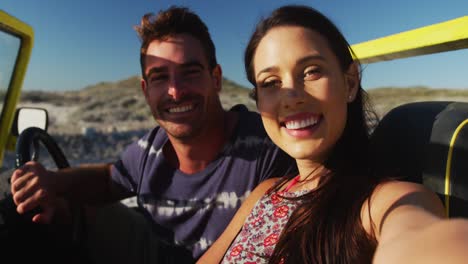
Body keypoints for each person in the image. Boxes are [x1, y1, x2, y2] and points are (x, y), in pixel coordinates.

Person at [8, 6, 295, 263]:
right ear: (146, 91)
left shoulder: (266, 145)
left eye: (190, 72)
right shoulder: (149, 150)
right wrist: (53, 182)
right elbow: (110, 180)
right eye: (160, 77)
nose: (175, 90)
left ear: (216, 79)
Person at [197, 5, 468, 264]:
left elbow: (416, 235)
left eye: (311, 71)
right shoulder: (265, 192)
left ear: (350, 82)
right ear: (258, 101)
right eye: (271, 83)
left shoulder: (382, 204)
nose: (291, 96)